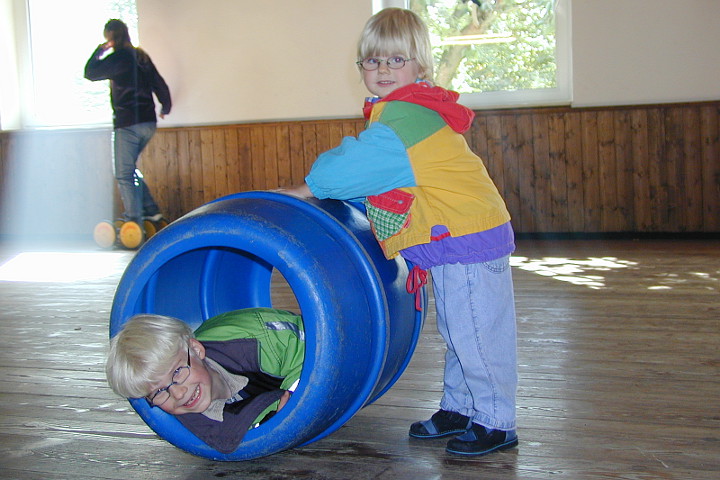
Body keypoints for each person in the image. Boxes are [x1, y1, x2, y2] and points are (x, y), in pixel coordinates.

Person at [279, 8, 518, 456]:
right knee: (458, 329)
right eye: (372, 62)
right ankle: (460, 407)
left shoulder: (404, 120)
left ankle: (497, 421)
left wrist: (306, 187)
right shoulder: (404, 110)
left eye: (395, 60)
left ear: (419, 65)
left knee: (478, 333)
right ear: (361, 69)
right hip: (454, 239)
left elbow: (351, 166)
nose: (382, 70)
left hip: (466, 236)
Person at [106, 307, 304, 454]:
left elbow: (313, 347)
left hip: (293, 335)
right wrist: (275, 422)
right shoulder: (200, 423)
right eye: (158, 392)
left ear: (196, 350)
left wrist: (296, 397)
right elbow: (234, 438)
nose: (178, 394)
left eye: (177, 372)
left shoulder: (253, 340)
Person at [84, 19, 171, 230]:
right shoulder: (141, 56)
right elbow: (159, 82)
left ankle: (134, 220)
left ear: (111, 37)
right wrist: (165, 106)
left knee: (123, 174)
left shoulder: (117, 59)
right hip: (148, 123)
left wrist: (99, 50)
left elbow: (90, 72)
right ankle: (152, 212)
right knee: (129, 170)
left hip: (128, 123)